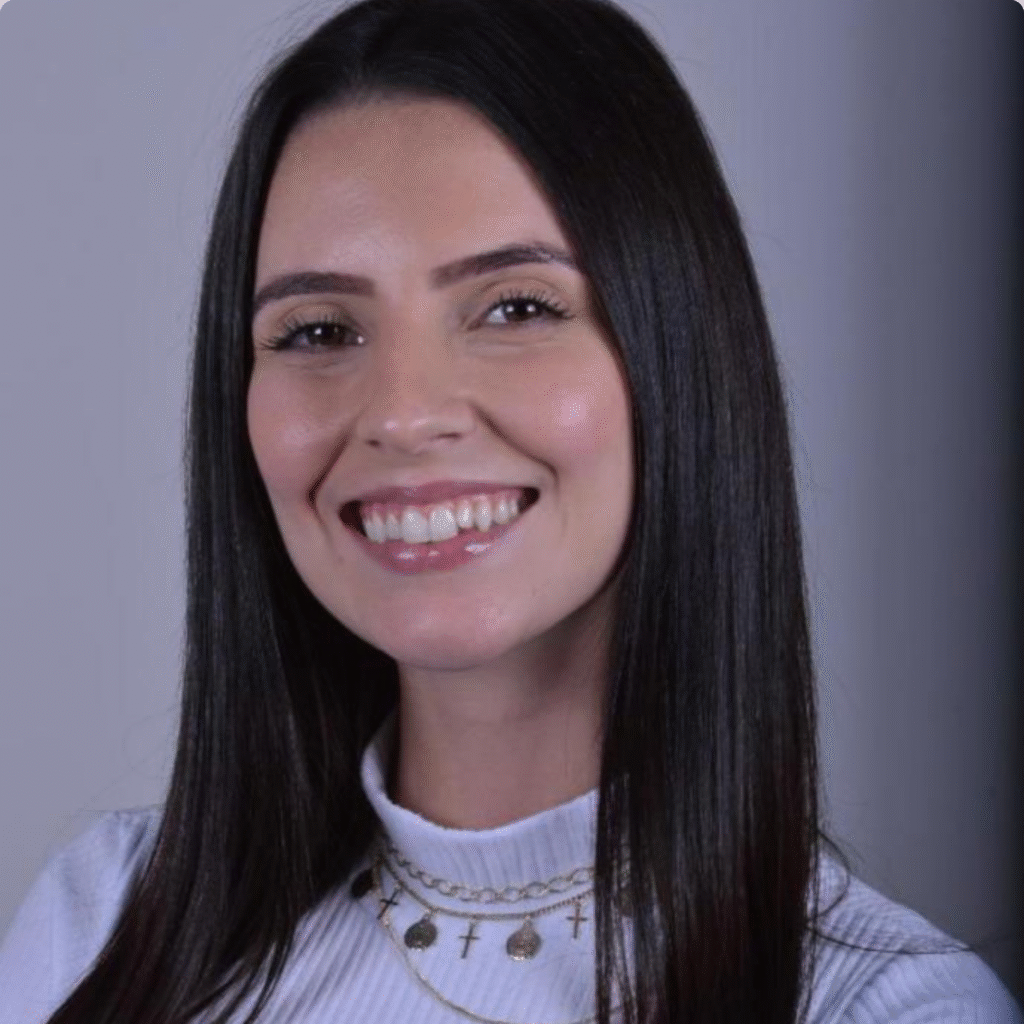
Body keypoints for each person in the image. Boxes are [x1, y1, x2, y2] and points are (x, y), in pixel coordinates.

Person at [0, 0, 1019, 1022]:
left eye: (517, 307)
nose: (403, 414)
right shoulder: (101, 926)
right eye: (318, 330)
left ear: (676, 351)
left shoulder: (885, 1007)